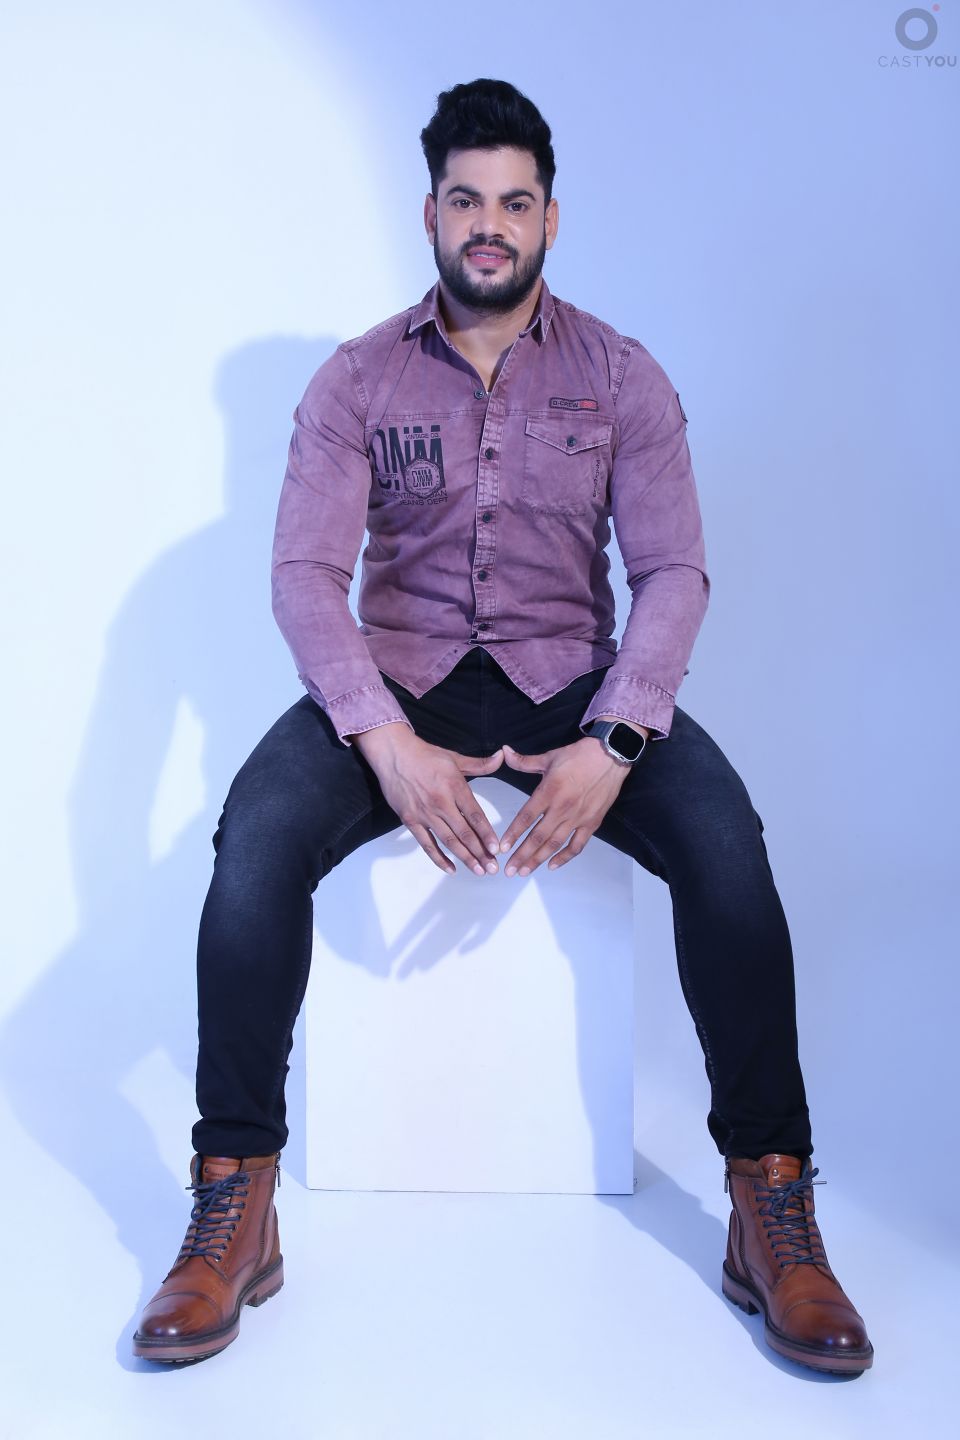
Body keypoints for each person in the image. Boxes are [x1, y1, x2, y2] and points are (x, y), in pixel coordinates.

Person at [134, 78, 873, 1376]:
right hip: (401, 682)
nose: (490, 224)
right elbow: (305, 576)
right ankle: (233, 1202)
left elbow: (674, 574)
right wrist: (383, 740)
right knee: (252, 844)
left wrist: (617, 740)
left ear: (549, 219)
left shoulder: (622, 376)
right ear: (430, 212)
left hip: (572, 685)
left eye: (515, 203)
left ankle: (772, 1208)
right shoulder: (357, 379)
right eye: (466, 199)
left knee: (729, 851)